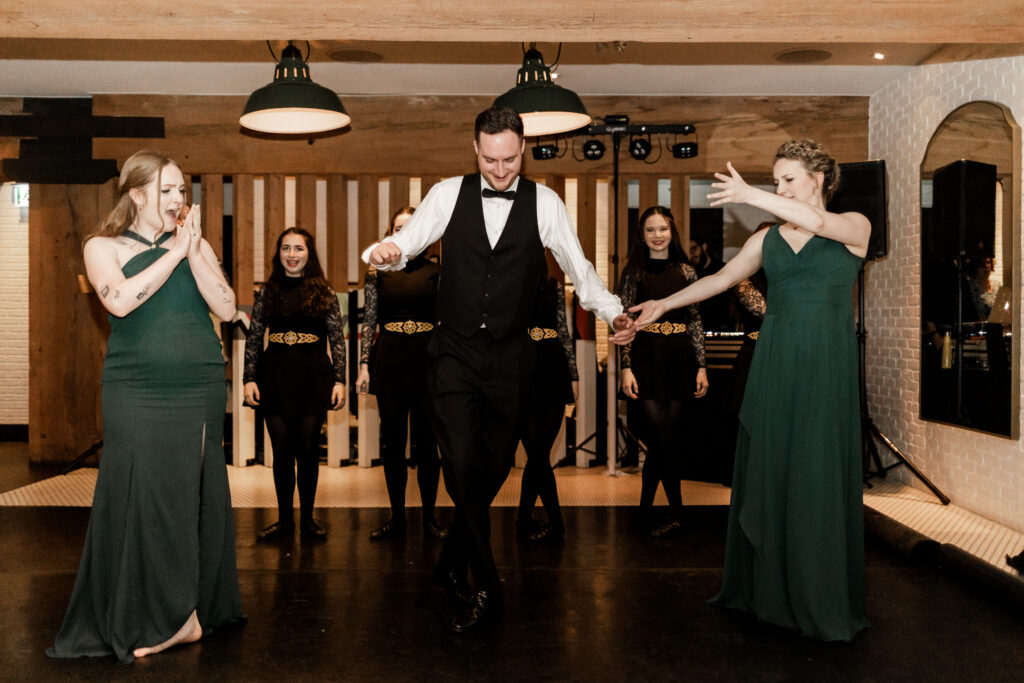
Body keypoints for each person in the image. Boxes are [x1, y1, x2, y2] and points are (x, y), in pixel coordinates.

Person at [363, 106, 635, 633]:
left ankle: (448, 565)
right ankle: (489, 588)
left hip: (512, 359)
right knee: (462, 466)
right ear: (475, 149)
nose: (501, 170)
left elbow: (581, 271)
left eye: (510, 159)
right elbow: (408, 243)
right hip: (452, 357)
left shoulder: (546, 204)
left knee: (488, 474)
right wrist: (388, 250)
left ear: (523, 150)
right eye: (491, 160)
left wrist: (612, 311)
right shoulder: (447, 193)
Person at [628, 140, 871, 642]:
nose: (779, 188)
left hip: (826, 365)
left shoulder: (855, 225)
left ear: (819, 178)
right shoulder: (768, 239)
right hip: (776, 361)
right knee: (774, 466)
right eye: (775, 180)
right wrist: (662, 305)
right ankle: (768, 588)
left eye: (788, 179)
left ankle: (819, 590)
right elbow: (719, 280)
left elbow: (821, 224)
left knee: (817, 470)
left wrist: (752, 195)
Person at [48, 150, 244, 662]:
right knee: (142, 495)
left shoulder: (190, 245)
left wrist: (195, 251)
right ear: (136, 194)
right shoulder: (101, 246)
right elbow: (119, 300)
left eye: (183, 190)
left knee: (186, 495)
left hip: (197, 382)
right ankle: (148, 609)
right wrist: (174, 255)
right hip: (136, 387)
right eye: (168, 191)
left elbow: (226, 308)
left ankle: (187, 614)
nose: (180, 200)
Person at [244, 227, 346, 542]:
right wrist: (249, 377)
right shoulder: (267, 291)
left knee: (308, 449)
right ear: (279, 253)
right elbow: (254, 336)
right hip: (274, 376)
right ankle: (285, 521)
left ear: (309, 253)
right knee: (282, 451)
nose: (292, 254)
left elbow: (337, 339)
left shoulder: (324, 291)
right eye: (286, 248)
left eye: (298, 248)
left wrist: (340, 379)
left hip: (313, 377)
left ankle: (308, 521)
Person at [357, 206, 447, 542]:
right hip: (391, 360)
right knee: (393, 445)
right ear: (390, 232)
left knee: (428, 446)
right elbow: (369, 321)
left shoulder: (438, 271)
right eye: (398, 227)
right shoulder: (377, 272)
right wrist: (364, 365)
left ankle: (429, 520)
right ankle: (397, 519)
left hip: (427, 362)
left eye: (411, 227)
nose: (404, 232)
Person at [618, 206, 708, 538]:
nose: (658, 235)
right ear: (642, 235)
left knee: (664, 442)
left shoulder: (686, 271)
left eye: (663, 229)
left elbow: (696, 320)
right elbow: (625, 323)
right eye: (651, 230)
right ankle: (677, 513)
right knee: (660, 439)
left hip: (680, 359)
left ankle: (647, 510)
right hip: (646, 359)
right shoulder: (633, 272)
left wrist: (702, 366)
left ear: (672, 232)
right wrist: (626, 367)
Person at [516, 255, 579, 543]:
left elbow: (564, 332)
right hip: (521, 372)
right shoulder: (504, 286)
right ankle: (555, 523)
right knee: (538, 454)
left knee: (539, 454)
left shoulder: (553, 286)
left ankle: (524, 521)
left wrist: (574, 375)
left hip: (553, 370)